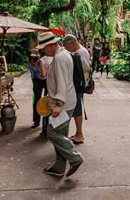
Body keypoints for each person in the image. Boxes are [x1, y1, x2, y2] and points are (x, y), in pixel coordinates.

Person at [36, 32, 84, 177]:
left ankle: (75, 157)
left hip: (64, 104)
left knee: (52, 132)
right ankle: (59, 166)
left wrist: (58, 104)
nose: (42, 52)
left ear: (50, 46)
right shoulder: (64, 54)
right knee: (60, 134)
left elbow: (62, 82)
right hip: (67, 102)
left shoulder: (59, 58)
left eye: (43, 48)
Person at [62, 34, 91, 144]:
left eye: (67, 46)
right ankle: (78, 133)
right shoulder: (79, 51)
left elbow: (78, 72)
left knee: (77, 110)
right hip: (78, 85)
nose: (66, 49)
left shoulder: (80, 53)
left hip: (78, 86)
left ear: (73, 43)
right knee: (77, 109)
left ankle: (80, 134)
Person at [28, 53, 46, 129]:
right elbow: (32, 75)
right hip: (37, 80)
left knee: (47, 100)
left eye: (34, 64)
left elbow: (44, 74)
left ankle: (47, 121)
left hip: (46, 80)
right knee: (36, 100)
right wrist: (35, 86)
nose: (33, 65)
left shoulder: (43, 62)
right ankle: (36, 121)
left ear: (37, 61)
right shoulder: (29, 64)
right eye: (31, 63)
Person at [39, 50, 53, 135]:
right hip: (57, 85)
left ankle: (45, 130)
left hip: (48, 84)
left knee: (46, 106)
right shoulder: (57, 57)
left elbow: (43, 74)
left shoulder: (43, 60)